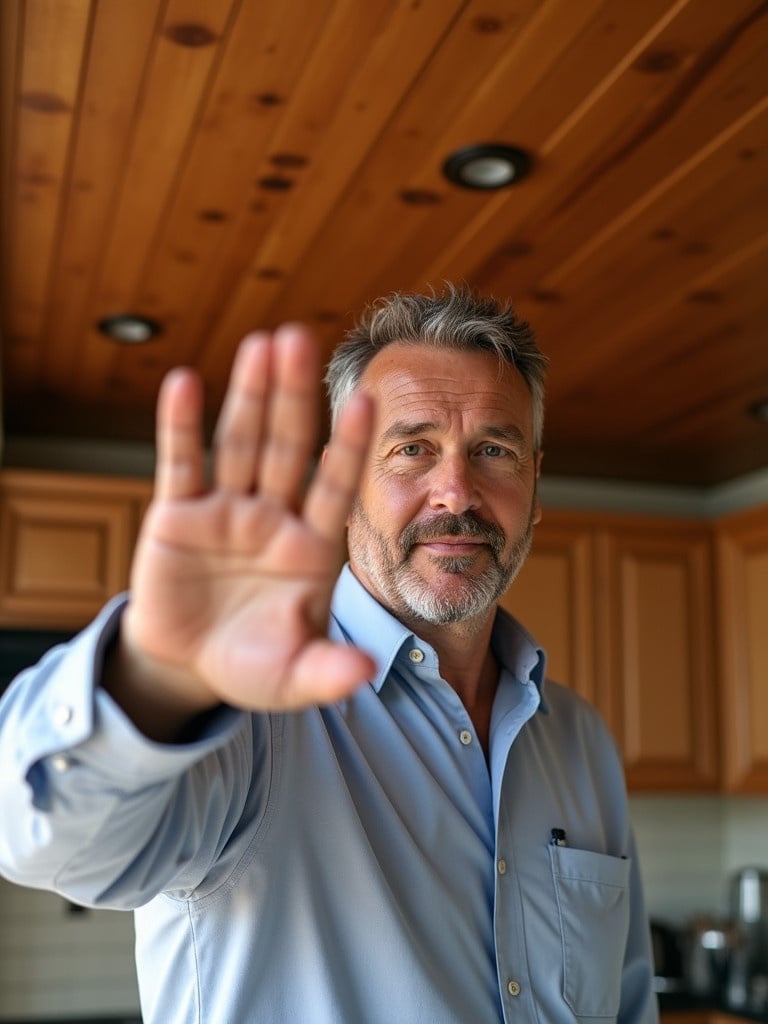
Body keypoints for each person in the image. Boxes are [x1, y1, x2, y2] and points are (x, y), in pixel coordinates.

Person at [0, 286, 657, 1024]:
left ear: (534, 485)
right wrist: (156, 677)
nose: (455, 491)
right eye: (412, 448)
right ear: (341, 483)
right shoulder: (242, 717)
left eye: (493, 451)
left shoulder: (580, 740)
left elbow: (627, 1003)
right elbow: (48, 847)